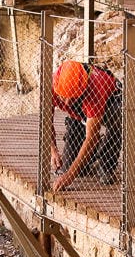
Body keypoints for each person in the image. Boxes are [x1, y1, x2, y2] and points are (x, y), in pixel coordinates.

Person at [49, 60, 122, 190]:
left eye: (72, 97)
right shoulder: (51, 87)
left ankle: (106, 163)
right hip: (80, 114)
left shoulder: (95, 87)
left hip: (110, 104)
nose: (67, 102)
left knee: (117, 115)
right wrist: (53, 151)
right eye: (63, 97)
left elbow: (91, 137)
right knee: (71, 167)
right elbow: (46, 122)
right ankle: (95, 150)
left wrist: (70, 175)